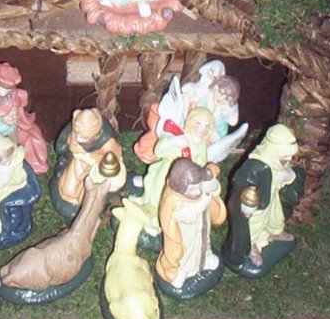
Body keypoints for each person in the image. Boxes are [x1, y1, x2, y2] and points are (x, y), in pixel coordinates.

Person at [221, 124, 305, 273]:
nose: (287, 158)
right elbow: (241, 183)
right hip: (255, 205)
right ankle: (251, 246)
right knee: (254, 225)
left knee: (276, 217)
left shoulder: (277, 161)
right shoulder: (255, 165)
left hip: (270, 196)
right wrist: (247, 203)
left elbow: (282, 173)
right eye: (285, 155)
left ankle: (275, 233)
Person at [130, 108, 216, 235]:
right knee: (157, 192)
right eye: (198, 124)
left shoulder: (201, 144)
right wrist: (174, 142)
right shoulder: (177, 134)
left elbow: (201, 162)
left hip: (184, 178)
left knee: (172, 201)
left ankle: (162, 221)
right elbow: (158, 151)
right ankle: (150, 211)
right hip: (166, 171)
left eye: (206, 126)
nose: (202, 130)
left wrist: (196, 163)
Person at [156, 159, 226, 289]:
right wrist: (203, 201)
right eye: (192, 189)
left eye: (198, 186)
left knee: (204, 243)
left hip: (201, 228)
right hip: (185, 234)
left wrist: (211, 184)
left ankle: (204, 259)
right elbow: (183, 214)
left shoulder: (200, 188)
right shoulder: (173, 199)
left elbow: (214, 190)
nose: (197, 191)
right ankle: (180, 270)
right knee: (186, 254)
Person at [53, 108, 126, 206]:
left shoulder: (107, 142)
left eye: (83, 137)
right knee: (67, 190)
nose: (78, 138)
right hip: (79, 162)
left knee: (84, 197)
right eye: (77, 135)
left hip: (96, 170)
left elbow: (112, 158)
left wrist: (95, 160)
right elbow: (68, 146)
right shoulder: (74, 135)